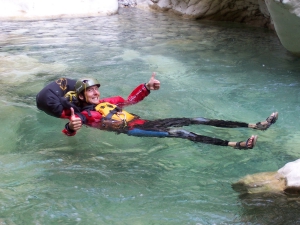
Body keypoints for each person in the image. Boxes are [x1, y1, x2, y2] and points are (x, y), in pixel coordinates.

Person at [48, 72, 278, 150]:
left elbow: (130, 100)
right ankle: (237, 145)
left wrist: (146, 87)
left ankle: (255, 125)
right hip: (133, 130)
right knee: (181, 133)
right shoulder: (85, 115)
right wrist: (70, 127)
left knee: (196, 119)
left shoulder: (110, 101)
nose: (96, 93)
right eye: (91, 91)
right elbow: (70, 130)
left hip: (145, 122)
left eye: (97, 89)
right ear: (81, 96)